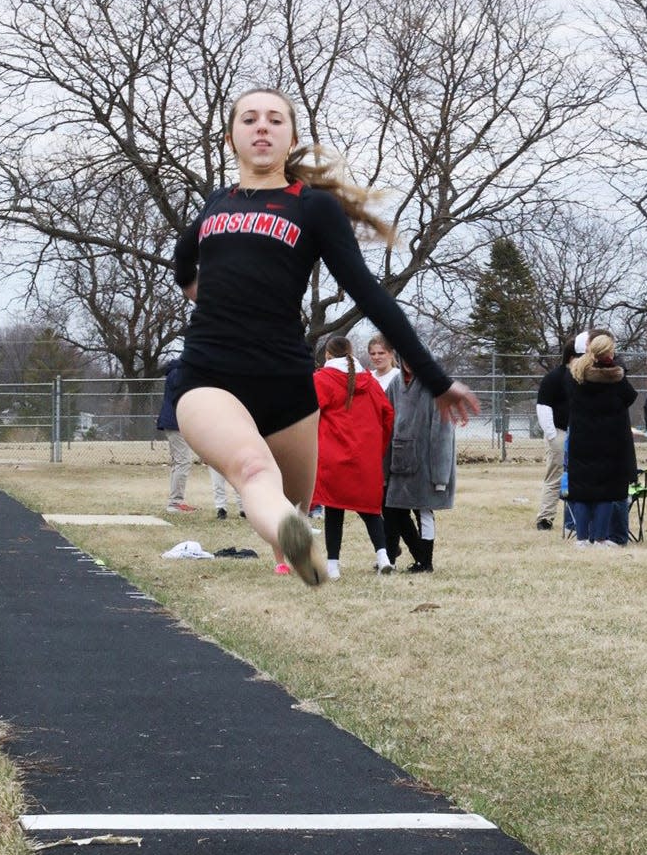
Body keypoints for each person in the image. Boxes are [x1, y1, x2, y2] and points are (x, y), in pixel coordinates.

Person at [171, 87, 479, 586]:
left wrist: (434, 378)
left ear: (291, 137)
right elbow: (183, 257)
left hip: (287, 384)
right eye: (250, 119)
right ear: (232, 138)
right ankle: (297, 541)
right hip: (209, 375)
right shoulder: (215, 203)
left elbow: (369, 294)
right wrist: (196, 291)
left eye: (275, 119)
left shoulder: (312, 208)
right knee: (252, 471)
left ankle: (290, 542)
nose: (263, 127)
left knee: (288, 499)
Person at [312, 336, 394, 579]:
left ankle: (333, 565)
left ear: (328, 356)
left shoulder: (322, 380)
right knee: (370, 509)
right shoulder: (369, 381)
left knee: (334, 510)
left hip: (334, 453)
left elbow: (310, 410)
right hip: (364, 455)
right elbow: (388, 414)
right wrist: (377, 446)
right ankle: (383, 556)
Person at [383, 358, 456, 573]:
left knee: (423, 510)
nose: (408, 364)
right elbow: (386, 419)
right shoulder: (396, 384)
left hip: (426, 461)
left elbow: (443, 431)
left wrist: (440, 476)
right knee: (394, 511)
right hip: (399, 460)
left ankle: (426, 561)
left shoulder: (435, 384)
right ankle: (412, 558)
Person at [565, 334, 638, 548]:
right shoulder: (616, 377)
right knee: (606, 492)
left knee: (582, 490)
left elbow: (568, 394)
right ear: (609, 353)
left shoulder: (576, 375)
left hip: (581, 439)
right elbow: (630, 397)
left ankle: (581, 539)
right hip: (610, 441)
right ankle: (600, 538)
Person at [535, 338, 577, 531]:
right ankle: (545, 518)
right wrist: (552, 435)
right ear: (571, 357)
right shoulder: (554, 377)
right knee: (555, 476)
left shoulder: (582, 378)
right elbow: (543, 407)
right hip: (559, 433)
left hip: (580, 433)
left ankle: (577, 519)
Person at [156, 359, 197, 513]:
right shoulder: (177, 373)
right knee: (183, 462)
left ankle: (175, 501)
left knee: (179, 462)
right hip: (174, 422)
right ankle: (174, 504)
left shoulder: (176, 372)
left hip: (176, 422)